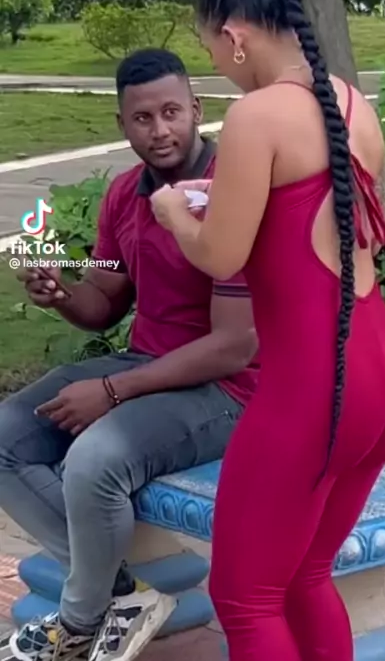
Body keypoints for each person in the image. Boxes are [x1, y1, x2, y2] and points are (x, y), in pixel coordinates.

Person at [150, 0, 385, 661]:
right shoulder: (348, 101)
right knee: (306, 576)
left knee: (245, 597)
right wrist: (225, 195)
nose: (216, 64)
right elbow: (320, 215)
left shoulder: (256, 116)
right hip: (384, 379)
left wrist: (173, 212)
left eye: (209, 49)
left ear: (235, 36)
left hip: (317, 389)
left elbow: (221, 256)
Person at [0, 49, 258, 661]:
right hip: (148, 365)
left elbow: (235, 345)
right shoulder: (124, 195)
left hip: (231, 389)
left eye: (172, 112)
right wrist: (62, 293)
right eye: (142, 118)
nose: (159, 130)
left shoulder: (232, 193)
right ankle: (116, 593)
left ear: (197, 110)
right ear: (122, 124)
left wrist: (113, 393)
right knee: (6, 433)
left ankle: (77, 624)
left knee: (94, 460)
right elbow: (105, 299)